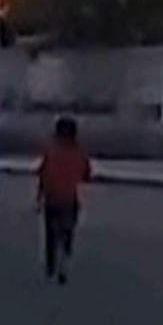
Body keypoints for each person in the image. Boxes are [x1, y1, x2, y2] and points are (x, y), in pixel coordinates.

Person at [37, 115, 94, 284]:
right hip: (70, 198)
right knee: (68, 232)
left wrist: (39, 196)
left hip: (51, 198)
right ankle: (65, 261)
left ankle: (50, 264)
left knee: (50, 233)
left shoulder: (51, 150)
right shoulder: (79, 152)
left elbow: (43, 174)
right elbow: (87, 174)